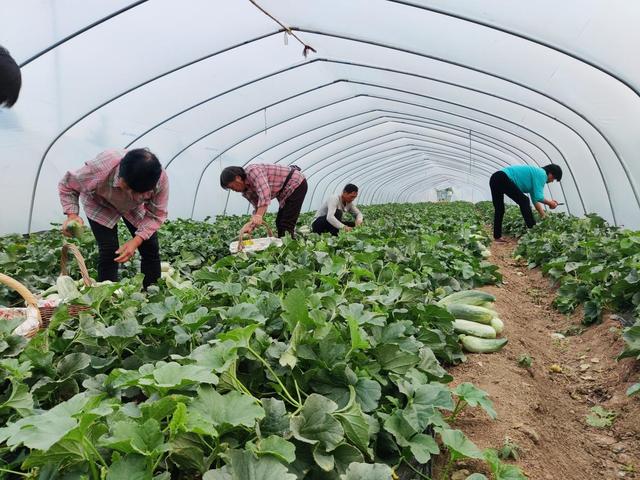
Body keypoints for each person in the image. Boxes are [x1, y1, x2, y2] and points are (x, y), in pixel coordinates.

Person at [58, 149, 169, 289]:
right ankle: (107, 298)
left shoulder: (159, 180)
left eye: (137, 193)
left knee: (150, 248)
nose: (130, 194)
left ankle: (152, 293)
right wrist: (72, 215)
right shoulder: (101, 168)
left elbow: (156, 214)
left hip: (134, 207)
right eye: (128, 188)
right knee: (109, 251)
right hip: (99, 202)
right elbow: (67, 185)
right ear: (120, 173)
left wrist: (136, 241)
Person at [220, 164, 307, 238]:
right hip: (283, 192)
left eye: (232, 187)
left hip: (295, 182)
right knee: (279, 222)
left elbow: (265, 193)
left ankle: (289, 250)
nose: (233, 190)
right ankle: (285, 247)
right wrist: (251, 225)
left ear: (238, 178)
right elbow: (259, 207)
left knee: (286, 223)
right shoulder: (246, 192)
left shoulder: (253, 171)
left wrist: (258, 216)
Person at [490, 164, 562, 242]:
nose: (551, 181)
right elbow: (539, 197)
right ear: (551, 174)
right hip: (503, 177)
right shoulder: (542, 174)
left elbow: (535, 199)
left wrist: (543, 215)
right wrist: (550, 203)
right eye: (554, 179)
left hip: (495, 178)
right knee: (524, 201)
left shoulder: (536, 174)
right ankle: (533, 230)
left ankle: (497, 237)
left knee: (500, 209)